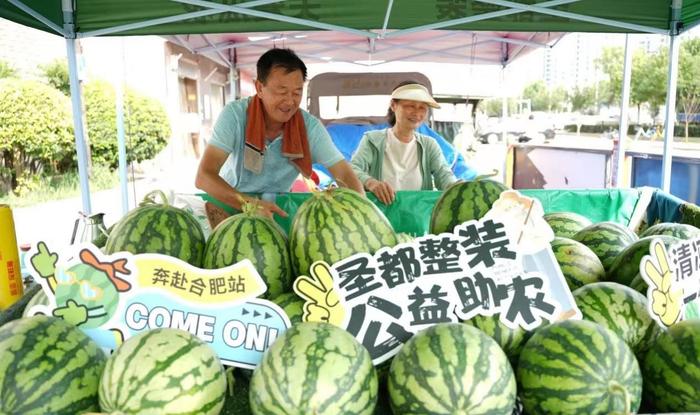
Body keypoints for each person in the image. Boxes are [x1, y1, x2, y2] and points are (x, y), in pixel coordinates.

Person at [195, 48, 364, 218]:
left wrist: (362, 212)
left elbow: (343, 173)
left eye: (297, 92)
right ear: (259, 88)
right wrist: (249, 205)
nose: (290, 101)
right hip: (229, 206)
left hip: (275, 211)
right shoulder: (235, 116)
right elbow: (204, 176)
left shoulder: (309, 127)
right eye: (282, 92)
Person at [350, 81, 457, 205]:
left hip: (417, 217)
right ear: (393, 106)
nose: (417, 113)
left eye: (422, 107)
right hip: (380, 216)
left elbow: (443, 174)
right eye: (410, 106)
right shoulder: (373, 140)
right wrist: (370, 183)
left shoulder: (429, 145)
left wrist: (456, 187)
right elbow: (353, 170)